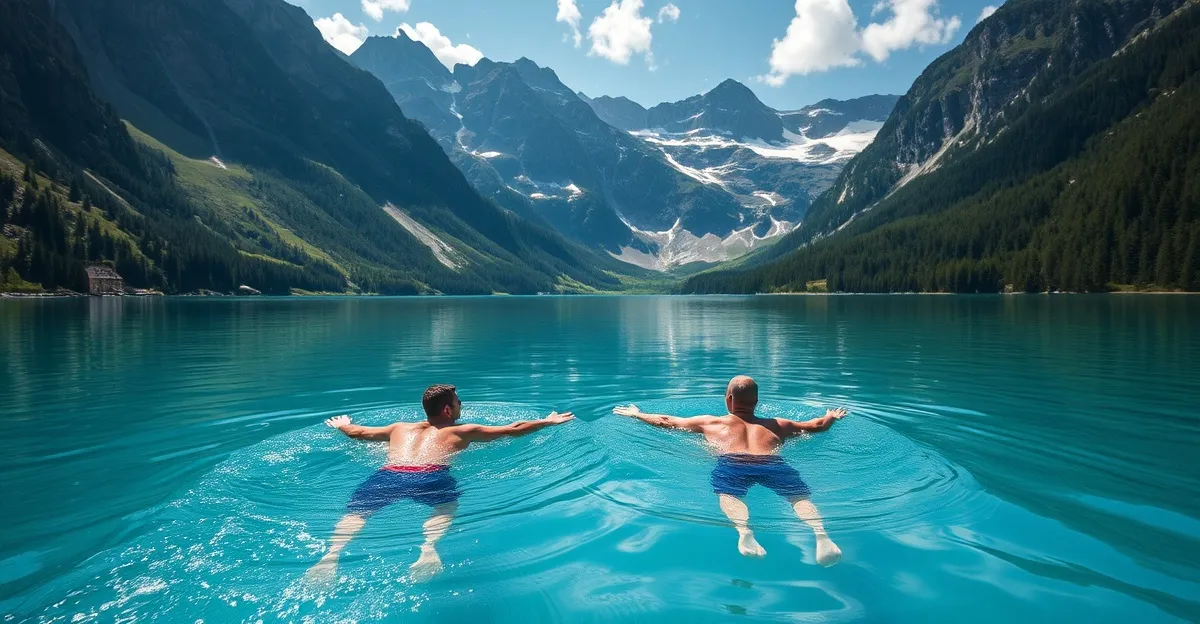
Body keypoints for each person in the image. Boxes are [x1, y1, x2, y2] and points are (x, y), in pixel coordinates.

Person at [307, 384, 574, 583]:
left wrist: (343, 426)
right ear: (448, 410)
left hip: (389, 473)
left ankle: (330, 556)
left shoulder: (399, 428)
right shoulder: (461, 430)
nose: (461, 406)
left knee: (358, 513)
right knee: (446, 507)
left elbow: (359, 433)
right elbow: (514, 429)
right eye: (459, 402)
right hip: (430, 475)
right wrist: (547, 421)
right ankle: (428, 548)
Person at [613, 375, 847, 566]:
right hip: (770, 463)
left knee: (729, 495)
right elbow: (816, 426)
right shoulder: (778, 425)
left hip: (732, 463)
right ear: (756, 402)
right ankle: (821, 534)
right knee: (799, 498)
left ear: (729, 399)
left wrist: (637, 414)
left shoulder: (711, 422)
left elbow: (666, 421)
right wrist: (831, 416)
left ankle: (744, 532)